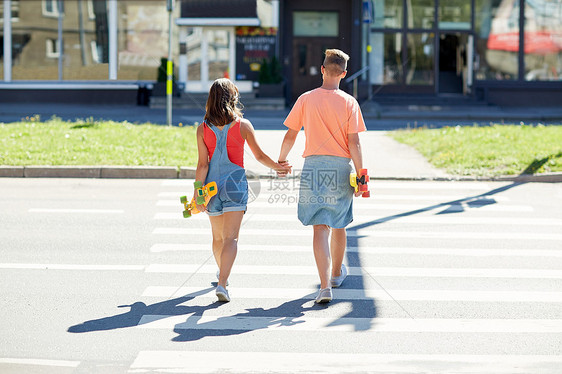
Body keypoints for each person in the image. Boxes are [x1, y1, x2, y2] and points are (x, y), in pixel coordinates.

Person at [278, 49, 367, 303]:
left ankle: (324, 286)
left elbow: (291, 135)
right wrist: (361, 175)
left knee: (320, 226)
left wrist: (281, 160)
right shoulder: (350, 103)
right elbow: (355, 143)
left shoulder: (306, 99)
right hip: (341, 168)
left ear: (322, 69)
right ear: (344, 74)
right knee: (339, 222)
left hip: (314, 168)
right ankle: (337, 273)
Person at [195, 78, 291, 302]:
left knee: (218, 238)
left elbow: (202, 164)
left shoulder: (202, 129)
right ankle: (222, 284)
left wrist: (197, 194)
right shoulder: (243, 125)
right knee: (232, 239)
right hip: (235, 185)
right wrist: (278, 167)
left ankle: (222, 275)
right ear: (233, 98)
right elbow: (258, 156)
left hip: (211, 188)